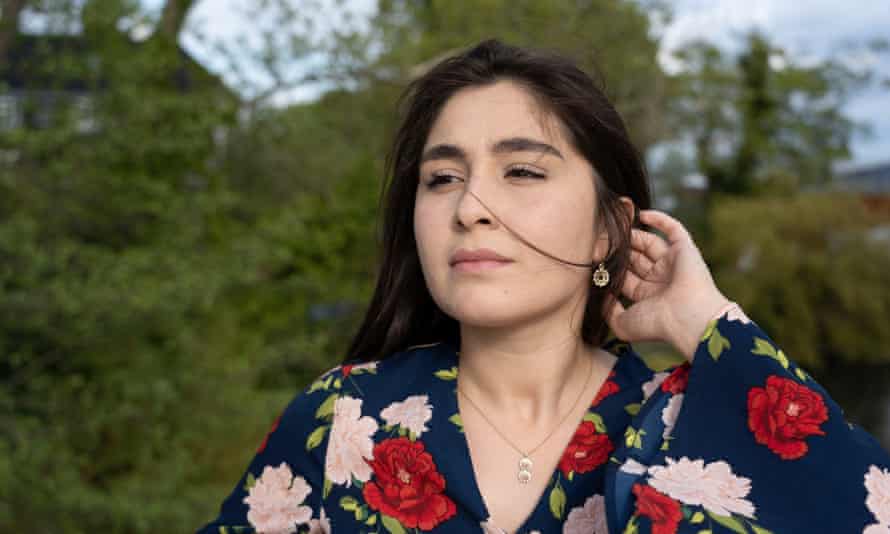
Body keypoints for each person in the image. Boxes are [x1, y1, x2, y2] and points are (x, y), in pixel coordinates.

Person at [197, 39, 890, 534]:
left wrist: (706, 322)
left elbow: (866, 507)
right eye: (442, 178)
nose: (469, 207)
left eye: (522, 171)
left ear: (607, 230)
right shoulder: (345, 419)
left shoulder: (688, 428)